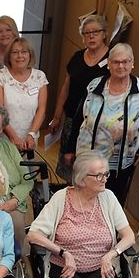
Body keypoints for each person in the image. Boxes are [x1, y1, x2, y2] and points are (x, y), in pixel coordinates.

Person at [27, 153, 135, 278]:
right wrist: (63, 252)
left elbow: (129, 236)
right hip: (65, 267)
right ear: (82, 178)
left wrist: (110, 255)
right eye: (99, 175)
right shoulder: (61, 198)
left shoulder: (108, 197)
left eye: (106, 174)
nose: (105, 179)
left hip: (100, 266)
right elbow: (33, 234)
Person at [77, 43, 139, 205]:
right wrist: (69, 149)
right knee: (85, 199)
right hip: (89, 158)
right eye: (116, 62)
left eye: (125, 61)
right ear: (108, 64)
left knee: (113, 204)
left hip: (122, 162)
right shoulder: (94, 86)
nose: (121, 66)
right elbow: (79, 117)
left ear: (132, 63)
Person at [48, 14, 110, 176]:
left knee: (89, 170)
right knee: (68, 165)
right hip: (72, 120)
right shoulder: (77, 57)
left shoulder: (112, 61)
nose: (91, 36)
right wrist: (57, 116)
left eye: (95, 32)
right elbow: (66, 88)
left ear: (104, 34)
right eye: (86, 33)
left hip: (97, 125)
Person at [0, 37, 48, 151]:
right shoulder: (0, 76)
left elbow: (41, 110)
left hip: (30, 140)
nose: (20, 56)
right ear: (9, 56)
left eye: (24, 52)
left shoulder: (39, 76)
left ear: (30, 55)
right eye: (15, 52)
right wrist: (14, 137)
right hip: (5, 138)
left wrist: (31, 135)